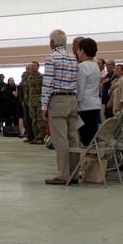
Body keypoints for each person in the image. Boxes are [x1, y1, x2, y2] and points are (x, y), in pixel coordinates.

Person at [41, 30, 80, 185]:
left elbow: (48, 83)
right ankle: (75, 174)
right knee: (73, 138)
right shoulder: (73, 57)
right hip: (72, 99)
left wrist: (44, 105)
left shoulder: (52, 57)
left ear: (53, 42)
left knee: (60, 140)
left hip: (58, 100)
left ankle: (63, 175)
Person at [75, 39, 101, 146]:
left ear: (83, 51)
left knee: (86, 137)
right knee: (91, 134)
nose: (77, 52)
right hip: (94, 104)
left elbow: (80, 88)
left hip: (85, 106)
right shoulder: (95, 65)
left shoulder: (83, 66)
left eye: (78, 50)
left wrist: (76, 103)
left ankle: (89, 160)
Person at [27, 61, 45, 144]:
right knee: (33, 120)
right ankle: (36, 136)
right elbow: (27, 89)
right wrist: (27, 99)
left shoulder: (41, 77)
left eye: (34, 66)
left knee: (40, 120)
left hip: (39, 101)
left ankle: (41, 137)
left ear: (38, 67)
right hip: (31, 101)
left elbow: (44, 89)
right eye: (32, 66)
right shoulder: (29, 77)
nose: (32, 67)